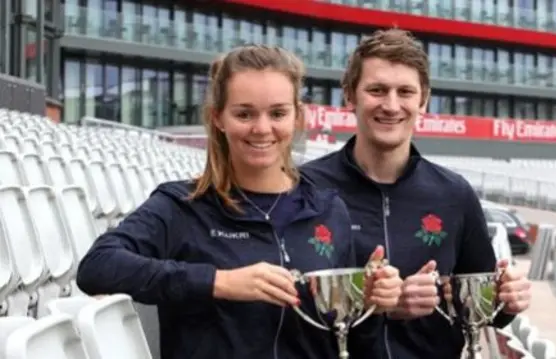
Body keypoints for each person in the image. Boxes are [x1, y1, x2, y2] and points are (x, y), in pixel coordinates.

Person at [75, 45, 403, 359]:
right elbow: (98, 267)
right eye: (244, 113)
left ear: (297, 118)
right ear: (218, 118)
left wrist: (373, 300)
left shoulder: (330, 209)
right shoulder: (182, 205)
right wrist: (219, 281)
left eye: (277, 113)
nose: (262, 128)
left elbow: (344, 329)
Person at [301, 29, 532, 359]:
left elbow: (482, 307)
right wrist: (378, 306)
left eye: (405, 91)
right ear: (349, 96)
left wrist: (508, 299)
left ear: (423, 100)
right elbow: (287, 308)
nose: (391, 105)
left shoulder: (454, 194)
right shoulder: (306, 188)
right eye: (377, 90)